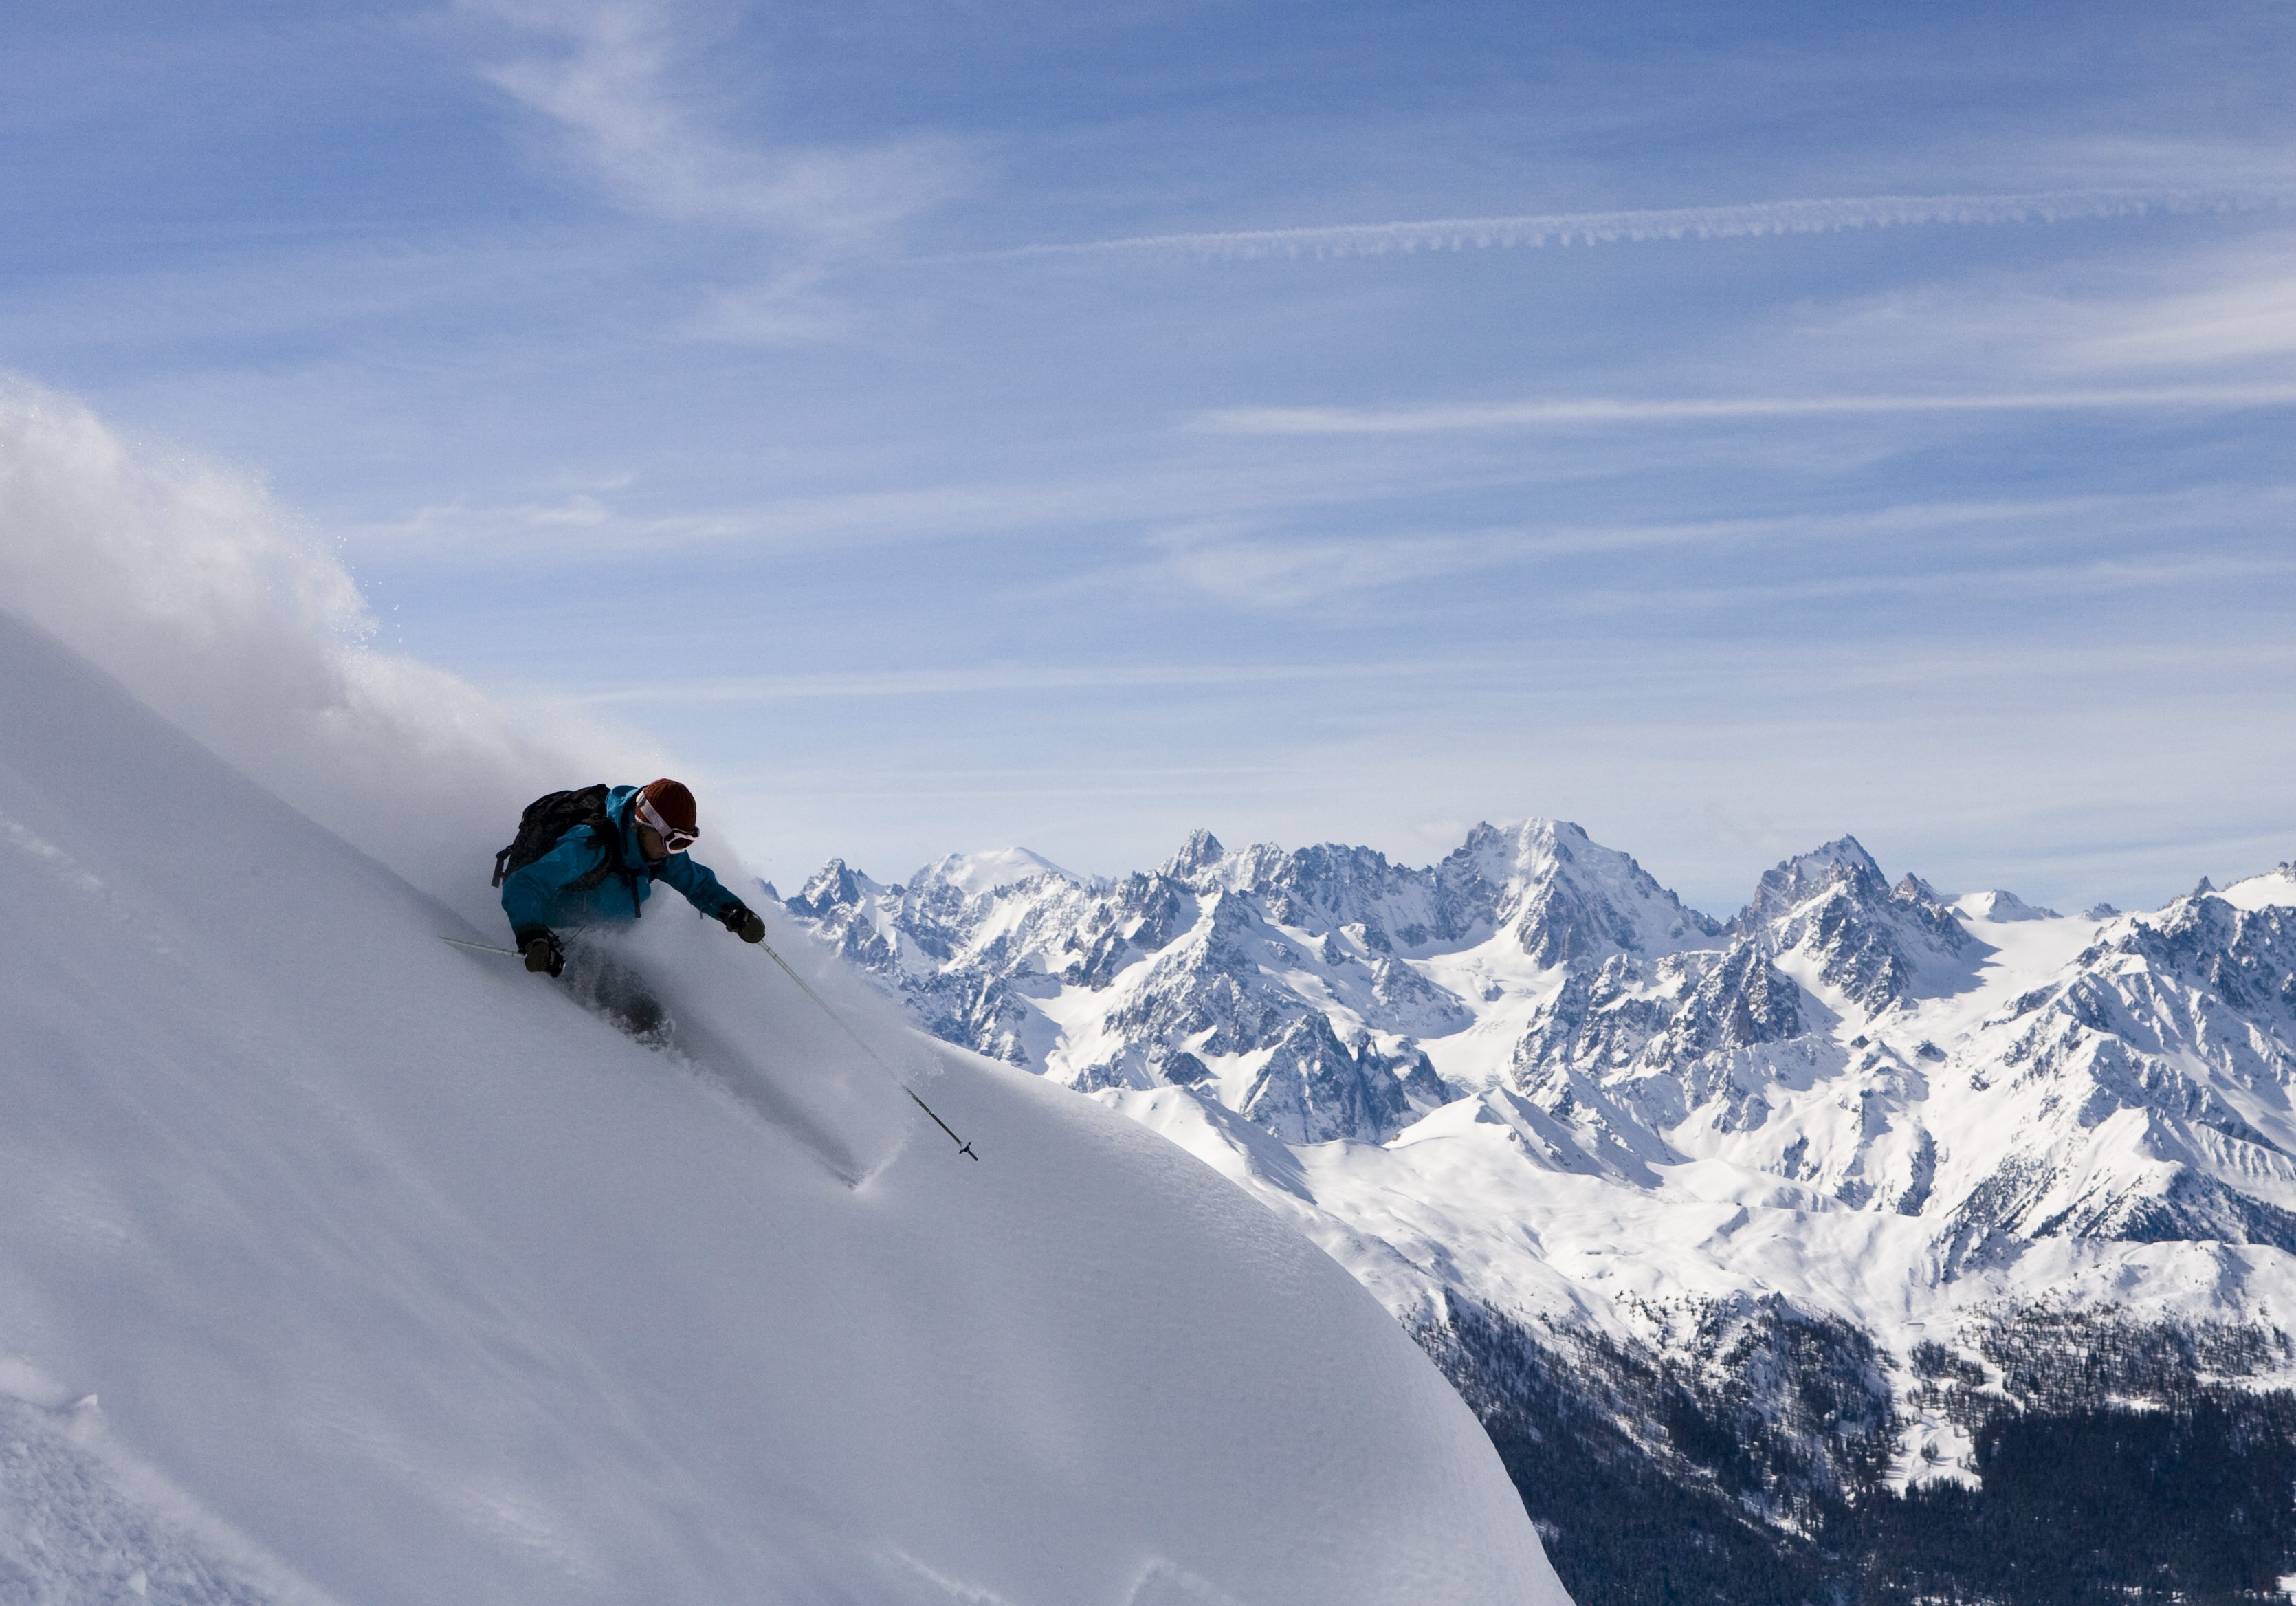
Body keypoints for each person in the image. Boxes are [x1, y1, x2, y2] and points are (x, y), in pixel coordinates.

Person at [498, 778, 766, 976]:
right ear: (643, 826)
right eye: (673, 841)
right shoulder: (589, 845)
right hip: (548, 943)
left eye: (685, 843)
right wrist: (532, 934)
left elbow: (700, 885)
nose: (674, 851)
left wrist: (733, 912)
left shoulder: (658, 853)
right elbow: (525, 883)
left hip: (594, 946)